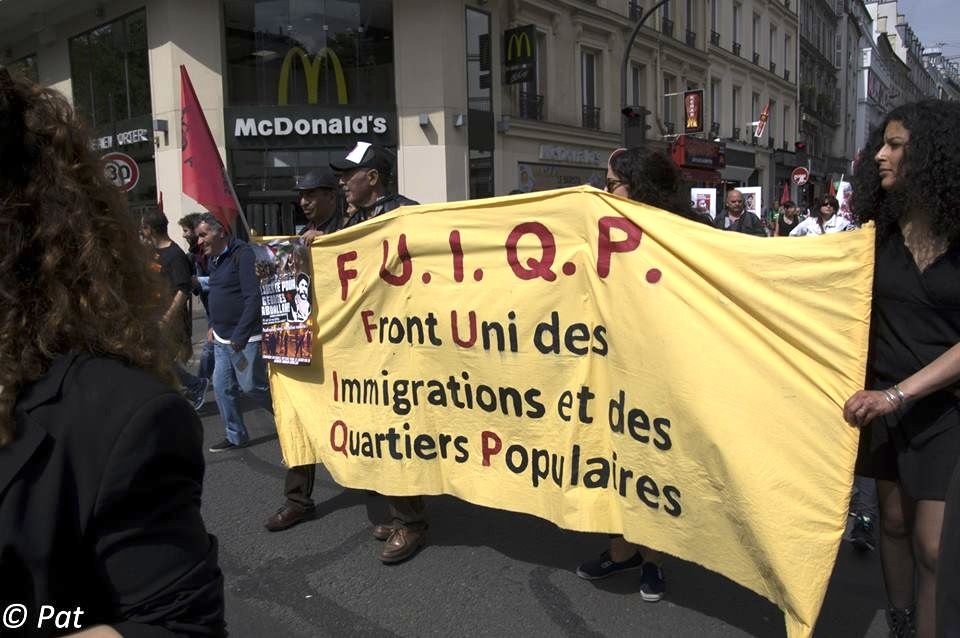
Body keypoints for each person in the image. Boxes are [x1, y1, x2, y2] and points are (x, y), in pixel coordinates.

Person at [0, 67, 224, 635]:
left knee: (215, 382)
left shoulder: (119, 418)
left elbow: (182, 289)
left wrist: (181, 322)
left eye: (206, 233)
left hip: (197, 332)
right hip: (176, 331)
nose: (200, 238)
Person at [841, 100, 960, 638]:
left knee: (935, 546)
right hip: (883, 404)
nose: (880, 156)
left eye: (895, 145)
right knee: (892, 522)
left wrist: (899, 395)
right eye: (882, 144)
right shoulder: (875, 236)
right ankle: (902, 621)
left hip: (944, 410)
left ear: (931, 155)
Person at [576, 146, 712, 602]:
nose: (604, 189)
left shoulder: (689, 234)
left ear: (638, 186)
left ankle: (653, 559)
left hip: (669, 370)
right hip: (614, 365)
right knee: (617, 460)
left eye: (611, 182)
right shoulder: (600, 229)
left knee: (657, 464)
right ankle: (622, 550)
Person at [330, 141, 424, 563]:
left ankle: (410, 521)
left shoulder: (405, 214)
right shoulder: (351, 218)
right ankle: (394, 506)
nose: (342, 182)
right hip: (361, 346)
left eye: (349, 174)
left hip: (397, 346)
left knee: (394, 435)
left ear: (373, 176)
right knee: (372, 434)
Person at [264, 169, 342, 533]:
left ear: (331, 196)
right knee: (297, 419)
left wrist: (331, 243)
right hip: (303, 343)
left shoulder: (353, 229)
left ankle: (382, 491)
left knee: (361, 419)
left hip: (345, 347)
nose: (304, 202)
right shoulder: (297, 239)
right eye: (301, 196)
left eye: (311, 194)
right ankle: (297, 500)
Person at [196, 213, 274, 454]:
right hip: (221, 337)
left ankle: (291, 418)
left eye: (203, 235)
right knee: (221, 387)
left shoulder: (243, 255)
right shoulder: (215, 260)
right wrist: (212, 324)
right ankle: (236, 435)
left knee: (251, 386)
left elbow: (253, 298)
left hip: (245, 338)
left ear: (220, 232)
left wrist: (240, 335)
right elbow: (217, 295)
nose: (199, 241)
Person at [141, 208, 210, 410]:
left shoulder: (175, 255)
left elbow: (183, 290)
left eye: (143, 228)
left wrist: (167, 318)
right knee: (156, 360)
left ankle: (192, 387)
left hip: (171, 320)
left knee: (158, 360)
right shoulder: (153, 253)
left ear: (150, 229)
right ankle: (187, 389)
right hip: (154, 315)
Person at [179, 212, 216, 382]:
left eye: (186, 230)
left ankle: (200, 381)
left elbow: (219, 279)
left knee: (210, 346)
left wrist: (197, 281)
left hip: (217, 304)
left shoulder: (210, 251)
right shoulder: (193, 254)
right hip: (209, 304)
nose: (184, 235)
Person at [789, 195, 855, 236]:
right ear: (819, 206)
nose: (828, 206)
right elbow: (793, 234)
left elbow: (856, 234)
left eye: (831, 205)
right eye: (825, 204)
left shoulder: (842, 222)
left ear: (835, 208)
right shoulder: (810, 221)